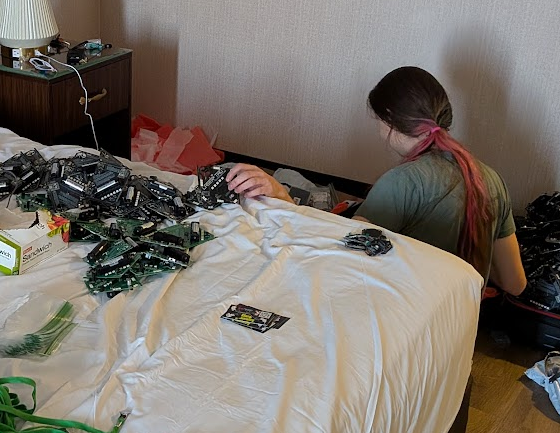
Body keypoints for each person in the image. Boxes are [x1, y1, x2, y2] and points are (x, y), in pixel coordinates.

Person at [225, 66, 527, 296]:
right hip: (459, 329)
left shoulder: (402, 183)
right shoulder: (488, 178)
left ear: (390, 121)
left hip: (404, 323)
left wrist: (281, 195)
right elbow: (515, 284)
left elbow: (335, 262)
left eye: (378, 123)